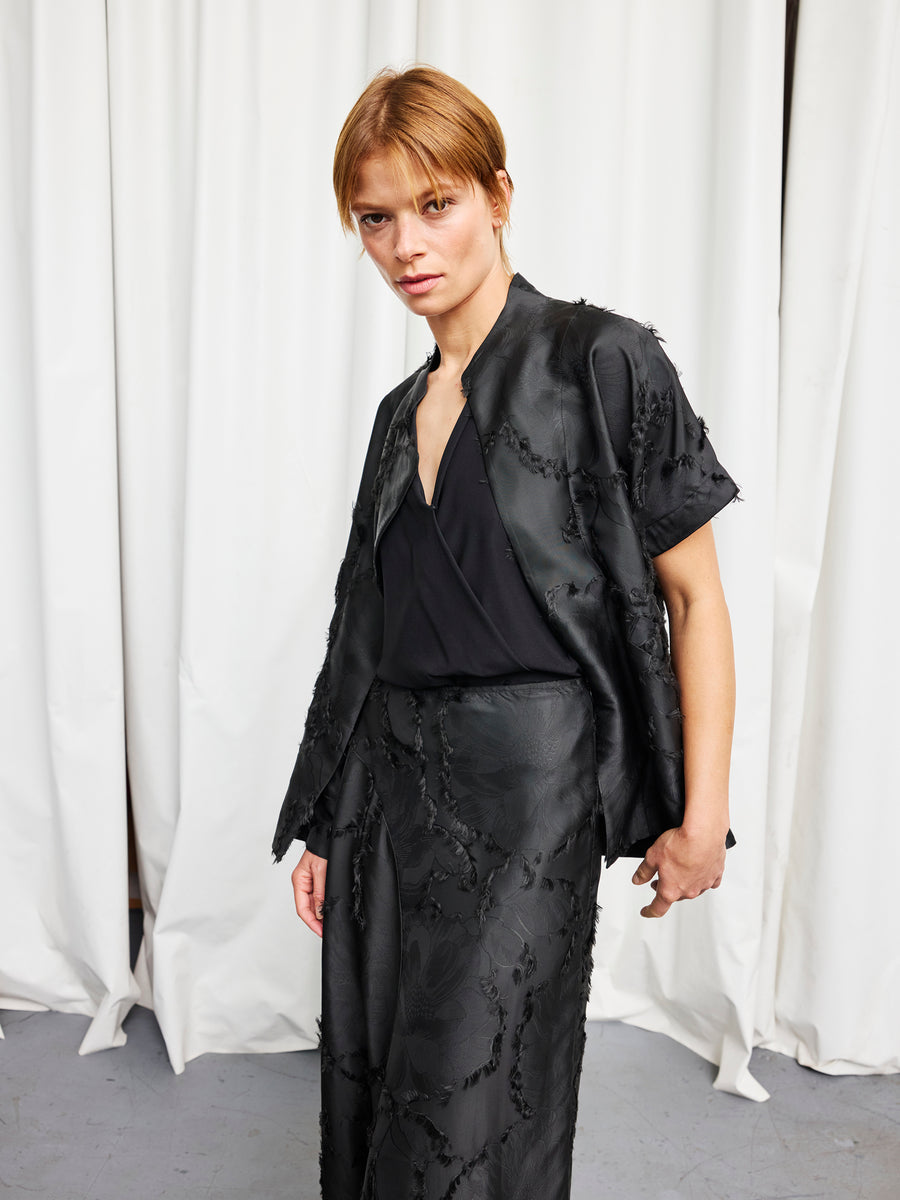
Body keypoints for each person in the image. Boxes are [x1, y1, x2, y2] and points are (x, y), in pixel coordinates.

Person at [273, 65, 737, 1200]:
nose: (404, 246)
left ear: (498, 194)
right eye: (376, 219)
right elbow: (367, 632)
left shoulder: (603, 359)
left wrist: (703, 814)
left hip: (531, 787)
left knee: (477, 1100)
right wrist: (332, 817)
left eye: (435, 206)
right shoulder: (398, 414)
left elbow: (695, 599)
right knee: (382, 1079)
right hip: (390, 792)